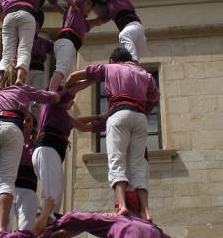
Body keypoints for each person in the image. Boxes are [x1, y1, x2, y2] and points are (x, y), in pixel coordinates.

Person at [65, 47, 159, 221]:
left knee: (117, 161)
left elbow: (75, 76)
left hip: (119, 114)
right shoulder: (144, 73)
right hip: (139, 118)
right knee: (138, 164)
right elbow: (154, 97)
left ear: (112, 60)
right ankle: (146, 211)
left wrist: (66, 89)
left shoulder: (109, 68)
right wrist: (144, 110)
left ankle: (122, 205)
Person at [0, 64, 66, 238]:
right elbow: (48, 96)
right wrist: (62, 95)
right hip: (10, 127)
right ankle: (2, 227)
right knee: (6, 182)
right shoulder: (22, 88)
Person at [0, 0, 74, 87]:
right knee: (24, 50)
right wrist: (73, 4)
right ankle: (19, 79)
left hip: (9, 13)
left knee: (7, 53)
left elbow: (54, 2)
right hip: (26, 12)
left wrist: (64, 13)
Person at [32, 88, 102, 220]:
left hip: (48, 152)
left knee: (56, 190)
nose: (72, 101)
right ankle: (44, 220)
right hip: (47, 150)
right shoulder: (52, 105)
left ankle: (48, 218)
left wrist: (100, 118)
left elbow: (81, 125)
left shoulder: (62, 115)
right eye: (71, 98)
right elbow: (79, 123)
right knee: (51, 192)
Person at [48, 0, 103, 91]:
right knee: (61, 69)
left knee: (65, 79)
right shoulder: (75, 9)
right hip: (66, 42)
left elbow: (99, 21)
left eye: (92, 6)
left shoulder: (84, 23)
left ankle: (57, 98)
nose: (90, 8)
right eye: (88, 3)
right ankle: (50, 94)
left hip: (71, 47)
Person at [79, 0, 146, 61]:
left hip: (133, 26)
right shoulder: (110, 10)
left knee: (124, 36)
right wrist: (80, 23)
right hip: (137, 36)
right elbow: (99, 21)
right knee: (129, 61)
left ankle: (133, 63)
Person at [26, 10, 54, 91]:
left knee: (37, 93)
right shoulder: (21, 40)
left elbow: (55, 47)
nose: (34, 28)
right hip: (25, 69)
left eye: (36, 26)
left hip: (39, 70)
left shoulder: (43, 42)